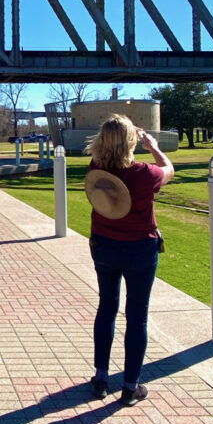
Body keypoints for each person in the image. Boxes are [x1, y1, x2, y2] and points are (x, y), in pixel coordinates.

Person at [86, 115, 174, 405]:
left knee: (106, 307)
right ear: (131, 142)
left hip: (104, 245)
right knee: (137, 316)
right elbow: (169, 169)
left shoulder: (96, 168)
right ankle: (130, 386)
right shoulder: (144, 174)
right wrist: (153, 147)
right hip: (139, 249)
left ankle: (100, 378)